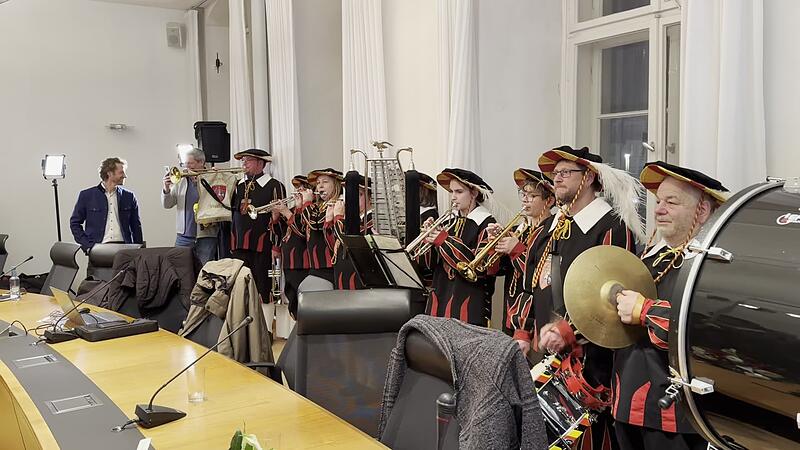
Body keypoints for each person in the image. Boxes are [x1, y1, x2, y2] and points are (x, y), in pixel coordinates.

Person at [525, 146, 647, 450]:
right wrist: (523, 332)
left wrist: (567, 332)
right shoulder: (550, 227)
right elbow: (532, 285)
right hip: (545, 351)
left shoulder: (612, 227)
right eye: (555, 174)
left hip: (590, 361)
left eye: (566, 172)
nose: (557, 178)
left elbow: (614, 300)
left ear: (589, 177)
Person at [611, 161, 727, 450]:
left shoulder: (714, 266)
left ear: (702, 210)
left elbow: (704, 331)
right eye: (658, 201)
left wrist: (645, 311)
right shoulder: (648, 257)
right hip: (626, 402)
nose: (658, 209)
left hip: (675, 416)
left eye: (671, 202)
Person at [423, 168, 499, 326]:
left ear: (474, 193)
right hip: (441, 293)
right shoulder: (448, 221)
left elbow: (480, 267)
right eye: (452, 192)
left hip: (470, 300)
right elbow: (429, 266)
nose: (453, 197)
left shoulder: (487, 223)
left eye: (459, 192)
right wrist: (428, 240)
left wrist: (443, 240)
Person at [485, 169, 554, 341]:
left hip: (535, 312)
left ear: (549, 200)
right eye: (523, 194)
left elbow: (542, 275)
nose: (525, 199)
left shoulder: (552, 231)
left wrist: (516, 250)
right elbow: (496, 271)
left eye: (532, 195)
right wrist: (495, 245)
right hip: (511, 305)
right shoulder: (519, 230)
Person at [230, 149, 286, 305]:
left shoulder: (274, 185)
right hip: (239, 245)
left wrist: (276, 245)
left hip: (263, 246)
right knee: (241, 289)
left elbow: (279, 220)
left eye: (248, 160)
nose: (244, 163)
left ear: (261, 163)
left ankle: (267, 318)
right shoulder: (238, 185)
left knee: (264, 287)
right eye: (243, 160)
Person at [70, 157, 143, 253]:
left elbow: (136, 226)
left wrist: (138, 251)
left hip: (124, 249)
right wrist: (87, 246)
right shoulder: (87, 195)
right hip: (98, 248)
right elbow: (75, 223)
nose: (125, 176)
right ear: (109, 173)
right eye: (121, 172)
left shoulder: (129, 196)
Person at [161, 147, 218, 266]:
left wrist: (215, 178)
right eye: (185, 163)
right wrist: (166, 189)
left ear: (201, 162)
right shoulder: (180, 180)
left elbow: (219, 200)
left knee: (203, 269)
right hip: (183, 236)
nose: (186, 167)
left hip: (206, 235)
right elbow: (167, 204)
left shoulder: (212, 177)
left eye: (190, 163)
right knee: (179, 268)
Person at [273, 175, 313, 318]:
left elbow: (302, 232)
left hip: (302, 262)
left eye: (303, 188)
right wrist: (275, 218)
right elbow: (280, 233)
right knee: (291, 298)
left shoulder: (310, 210)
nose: (298, 190)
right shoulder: (293, 210)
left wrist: (286, 213)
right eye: (298, 188)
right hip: (289, 261)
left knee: (301, 301)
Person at [296, 168, 343, 290]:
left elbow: (315, 223)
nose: (320, 186)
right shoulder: (318, 206)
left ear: (336, 185)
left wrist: (307, 203)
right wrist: (299, 207)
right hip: (315, 266)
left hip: (328, 267)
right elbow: (301, 230)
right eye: (318, 183)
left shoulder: (337, 204)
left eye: (325, 182)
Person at [330, 175, 373, 289]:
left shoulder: (371, 220)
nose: (351, 198)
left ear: (371, 198)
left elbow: (350, 239)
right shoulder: (350, 220)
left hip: (358, 279)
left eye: (359, 194)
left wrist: (338, 218)